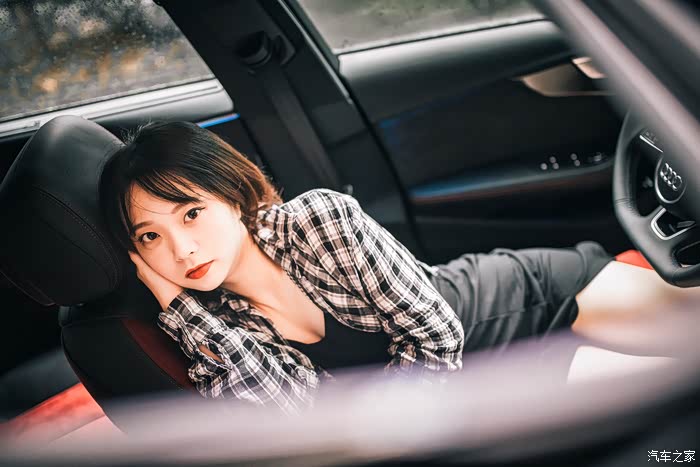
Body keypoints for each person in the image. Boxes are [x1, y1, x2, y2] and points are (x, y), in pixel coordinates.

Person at [99, 121, 698, 415]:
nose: (182, 250)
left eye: (192, 213)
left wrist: (378, 425)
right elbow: (297, 418)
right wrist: (177, 307)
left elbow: (436, 334)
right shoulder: (215, 332)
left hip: (522, 296)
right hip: (482, 386)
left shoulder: (319, 221)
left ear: (232, 197)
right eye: (150, 236)